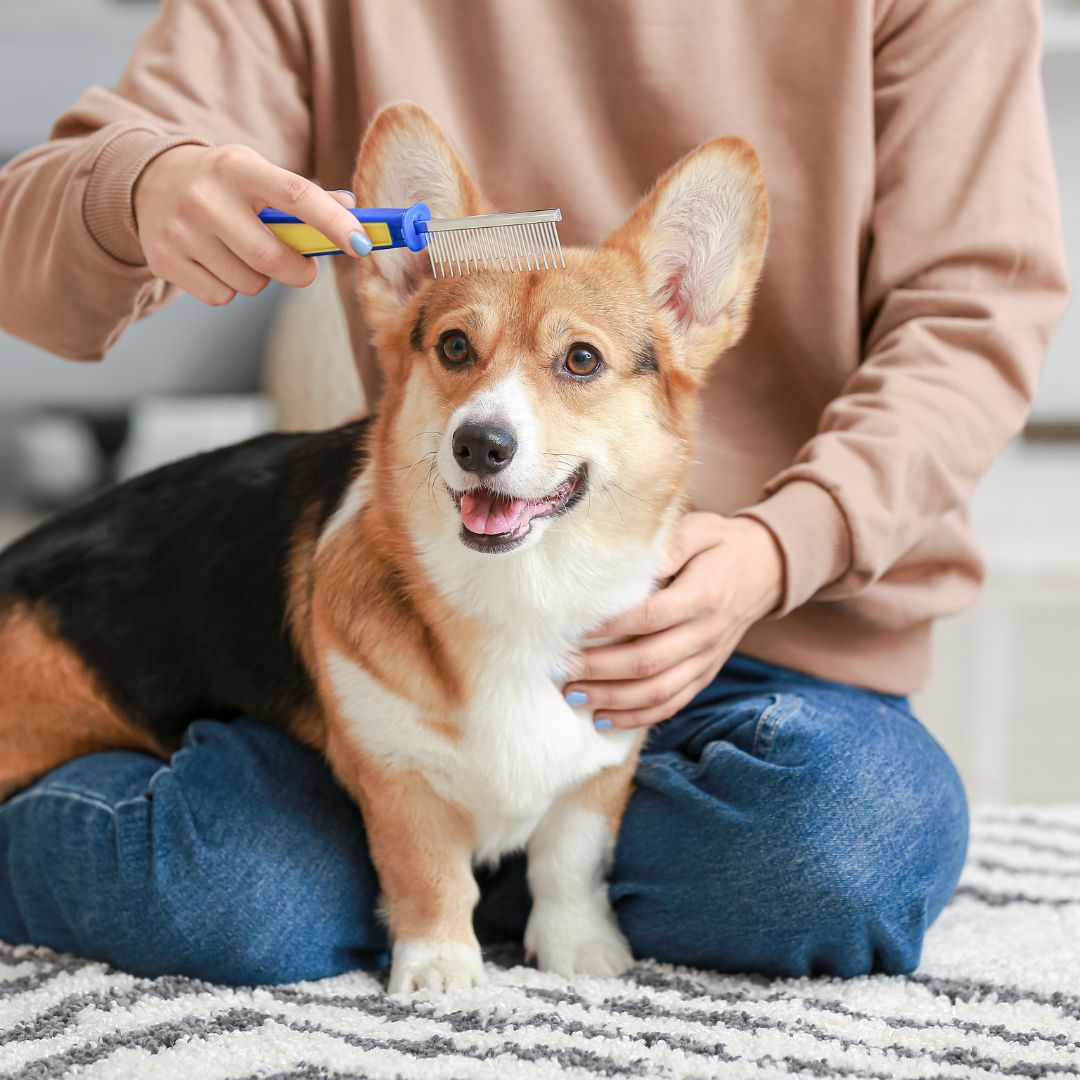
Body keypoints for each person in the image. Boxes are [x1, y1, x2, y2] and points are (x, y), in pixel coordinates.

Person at [0, 0, 1068, 985]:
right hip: (408, 641)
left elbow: (974, 314)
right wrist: (138, 185)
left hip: (761, 647)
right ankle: (420, 853)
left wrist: (786, 544)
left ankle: (472, 866)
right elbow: (32, 236)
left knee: (848, 843)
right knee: (227, 899)